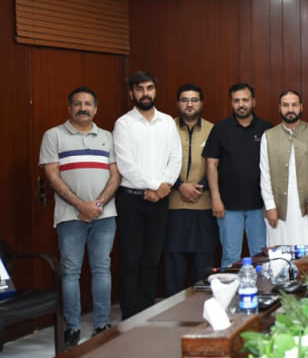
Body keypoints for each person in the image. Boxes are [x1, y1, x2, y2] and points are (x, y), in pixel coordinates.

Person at [39, 87, 121, 348]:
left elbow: (116, 175)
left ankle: (101, 324)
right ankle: (72, 327)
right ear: (69, 108)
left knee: (102, 269)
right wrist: (81, 205)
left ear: (95, 109)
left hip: (104, 215)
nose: (83, 108)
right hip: (69, 216)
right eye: (77, 104)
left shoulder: (108, 137)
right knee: (70, 271)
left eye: (88, 104)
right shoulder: (53, 135)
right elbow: (52, 176)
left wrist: (97, 205)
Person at [113, 71, 181, 320]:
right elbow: (126, 165)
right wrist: (158, 186)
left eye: (149, 88)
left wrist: (163, 188)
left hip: (160, 201)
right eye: (139, 89)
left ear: (155, 90)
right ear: (131, 93)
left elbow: (175, 159)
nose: (145, 93)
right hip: (131, 200)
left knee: (152, 261)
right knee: (130, 262)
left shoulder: (167, 122)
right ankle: (130, 318)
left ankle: (147, 314)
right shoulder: (123, 124)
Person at [203, 83, 273, 268]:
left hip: (260, 205)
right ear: (231, 103)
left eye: (245, 100)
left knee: (261, 257)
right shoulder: (220, 128)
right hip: (228, 207)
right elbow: (211, 165)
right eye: (236, 101)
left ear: (253, 102)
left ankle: (260, 287)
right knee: (230, 256)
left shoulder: (266, 128)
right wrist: (216, 199)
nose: (241, 104)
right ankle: (229, 288)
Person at [164, 84, 217, 296]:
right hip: (172, 204)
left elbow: (219, 164)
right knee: (174, 262)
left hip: (204, 205)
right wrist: (180, 186)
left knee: (204, 263)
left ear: (201, 103)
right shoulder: (166, 127)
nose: (189, 104)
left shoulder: (214, 129)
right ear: (177, 103)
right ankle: (172, 308)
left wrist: (198, 187)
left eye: (194, 100)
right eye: (184, 100)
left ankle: (202, 308)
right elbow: (158, 163)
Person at [260, 90, 308, 245]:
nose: (290, 109)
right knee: (280, 250)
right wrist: (270, 206)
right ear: (279, 108)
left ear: (301, 107)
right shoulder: (268, 135)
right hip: (278, 208)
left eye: (294, 105)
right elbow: (265, 174)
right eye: (285, 105)